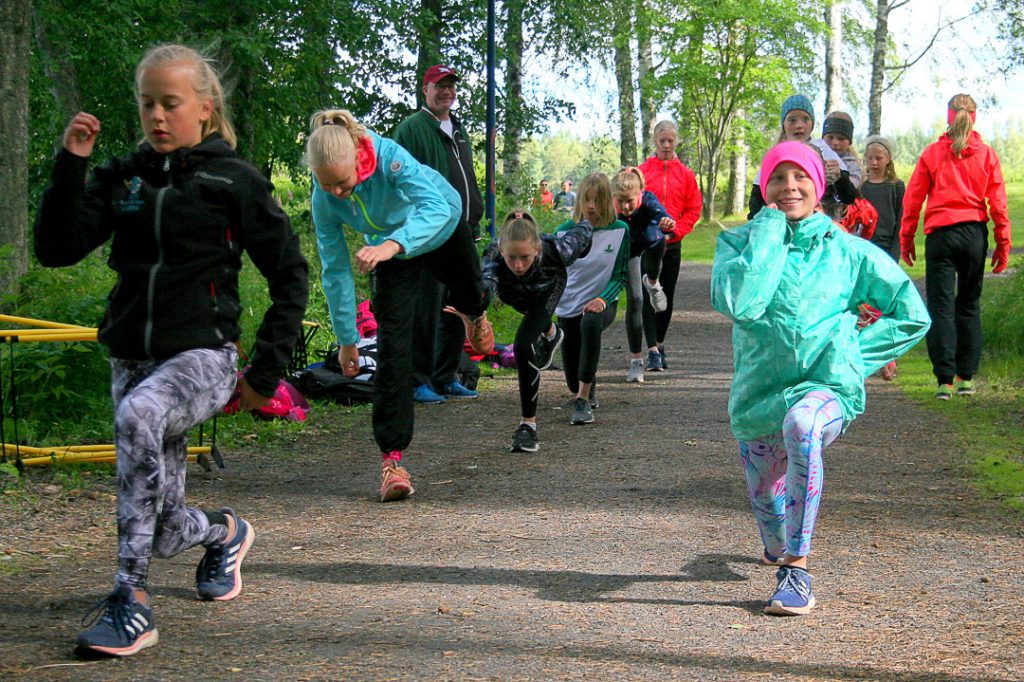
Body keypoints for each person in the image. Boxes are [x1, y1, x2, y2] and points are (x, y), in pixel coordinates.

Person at [34, 44, 309, 656]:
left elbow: (290, 274)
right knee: (162, 529)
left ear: (204, 109)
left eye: (171, 104)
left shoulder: (231, 178)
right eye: (147, 104)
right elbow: (56, 248)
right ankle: (223, 534)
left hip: (205, 358)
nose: (157, 116)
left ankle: (130, 600)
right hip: (132, 355)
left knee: (138, 415)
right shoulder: (123, 175)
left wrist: (265, 372)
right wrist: (71, 165)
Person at [712, 141, 929, 616]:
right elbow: (740, 304)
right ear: (764, 187)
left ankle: (797, 569)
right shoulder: (738, 243)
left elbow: (912, 315)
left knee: (802, 427)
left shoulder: (848, 251)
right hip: (757, 399)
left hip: (826, 388)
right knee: (770, 511)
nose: (790, 187)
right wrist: (768, 234)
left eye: (800, 177)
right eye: (778, 179)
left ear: (818, 183)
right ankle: (778, 547)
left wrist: (853, 354)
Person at [307, 109, 493, 503]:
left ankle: (474, 313)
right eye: (327, 186)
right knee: (394, 348)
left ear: (358, 157)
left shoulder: (389, 156)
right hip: (392, 251)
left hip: (441, 226)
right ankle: (392, 461)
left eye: (342, 184)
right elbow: (335, 269)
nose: (337, 194)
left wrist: (394, 244)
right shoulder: (324, 195)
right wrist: (347, 339)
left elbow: (437, 208)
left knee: (468, 292)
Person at [900, 94, 1012, 400]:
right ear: (974, 117)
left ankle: (944, 382)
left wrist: (907, 237)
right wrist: (1003, 244)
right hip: (973, 234)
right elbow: (999, 205)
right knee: (968, 305)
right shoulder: (987, 154)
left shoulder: (933, 153)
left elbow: (913, 200)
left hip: (941, 235)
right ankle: (966, 378)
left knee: (941, 307)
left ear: (948, 116)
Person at [393, 64, 485, 404]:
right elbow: (402, 182)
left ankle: (446, 376)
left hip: (463, 230)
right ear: (425, 89)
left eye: (450, 86)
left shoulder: (457, 129)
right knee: (426, 306)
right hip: (431, 232)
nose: (446, 91)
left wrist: (474, 213)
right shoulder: (412, 129)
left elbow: (466, 177)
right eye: (439, 86)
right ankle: (418, 380)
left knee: (457, 307)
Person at [482, 210, 592, 452]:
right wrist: (476, 309)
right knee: (528, 314)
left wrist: (584, 219)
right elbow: (486, 281)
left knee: (523, 344)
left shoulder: (554, 249)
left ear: (537, 250)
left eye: (525, 257)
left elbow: (583, 234)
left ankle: (528, 427)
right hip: (516, 296)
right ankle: (553, 333)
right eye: (511, 258)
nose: (518, 265)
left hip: (548, 289)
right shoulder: (493, 252)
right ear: (502, 251)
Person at [556, 173, 630, 425]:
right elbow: (557, 276)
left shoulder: (620, 231)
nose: (590, 207)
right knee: (570, 377)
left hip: (601, 302)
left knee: (590, 323)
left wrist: (603, 299)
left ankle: (584, 400)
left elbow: (620, 276)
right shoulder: (564, 232)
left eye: (596, 201)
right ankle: (584, 388)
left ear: (607, 201)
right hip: (569, 304)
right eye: (586, 200)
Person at [637, 120, 703, 371]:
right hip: (648, 244)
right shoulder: (643, 172)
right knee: (647, 294)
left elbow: (693, 209)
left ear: (676, 142)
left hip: (673, 244)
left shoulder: (686, 175)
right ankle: (652, 350)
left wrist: (678, 230)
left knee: (666, 295)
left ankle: (660, 343)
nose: (666, 145)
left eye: (670, 141)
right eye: (662, 141)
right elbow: (636, 204)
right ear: (655, 141)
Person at [611, 167, 675, 382]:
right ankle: (636, 361)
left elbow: (662, 214)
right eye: (620, 201)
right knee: (636, 299)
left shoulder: (648, 200)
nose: (625, 206)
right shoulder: (612, 209)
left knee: (650, 282)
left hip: (653, 245)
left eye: (630, 200)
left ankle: (654, 282)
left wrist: (667, 222)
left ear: (639, 194)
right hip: (630, 250)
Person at [748, 95, 856, 220]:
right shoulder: (776, 155)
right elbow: (757, 199)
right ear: (784, 124)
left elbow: (848, 196)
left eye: (805, 119)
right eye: (792, 120)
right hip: (783, 223)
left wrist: (840, 179)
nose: (799, 125)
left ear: (812, 124)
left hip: (822, 223)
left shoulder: (824, 150)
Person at [859, 135, 904, 262]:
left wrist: (895, 253)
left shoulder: (896, 187)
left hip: (887, 247)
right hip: (864, 246)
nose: (874, 162)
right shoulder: (860, 187)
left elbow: (900, 221)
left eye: (879, 158)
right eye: (870, 158)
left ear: (888, 159)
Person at [821, 111, 863, 188]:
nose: (835, 143)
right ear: (823, 138)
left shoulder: (852, 166)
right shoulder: (813, 157)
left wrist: (839, 175)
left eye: (841, 138)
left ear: (849, 143)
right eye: (830, 137)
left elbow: (851, 188)